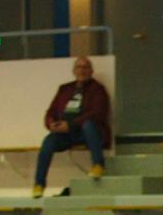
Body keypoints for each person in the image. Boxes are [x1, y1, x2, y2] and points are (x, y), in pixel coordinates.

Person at [34, 56, 111, 198]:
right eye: (78, 67)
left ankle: (98, 165)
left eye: (85, 67)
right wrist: (51, 124)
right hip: (65, 134)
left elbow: (97, 113)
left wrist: (71, 125)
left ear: (91, 71)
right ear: (74, 71)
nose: (81, 70)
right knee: (48, 141)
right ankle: (39, 184)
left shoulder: (98, 89)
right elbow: (51, 112)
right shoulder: (64, 89)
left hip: (87, 132)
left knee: (88, 125)